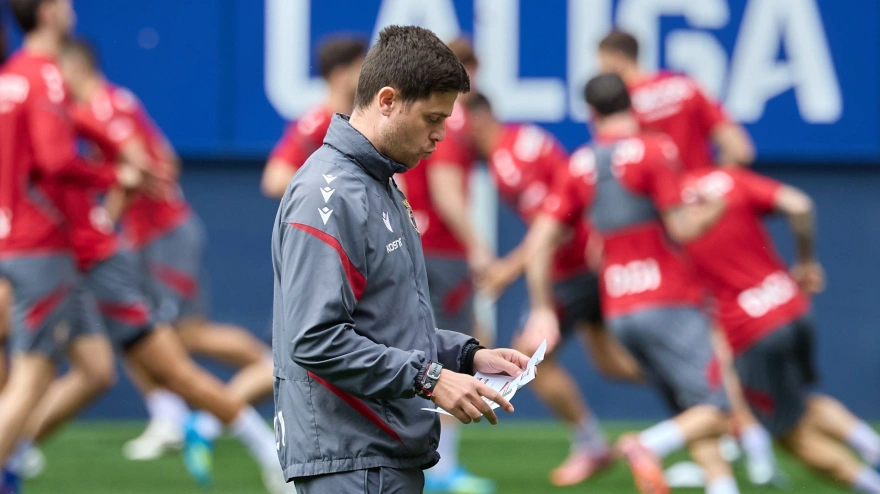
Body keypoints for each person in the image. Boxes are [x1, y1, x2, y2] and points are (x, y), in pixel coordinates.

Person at [0, 4, 280, 493]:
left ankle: (16, 459)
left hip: (55, 248)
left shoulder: (16, 77)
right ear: (48, 11)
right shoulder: (47, 74)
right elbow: (58, 158)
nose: (71, 8)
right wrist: (116, 175)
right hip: (67, 249)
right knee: (46, 373)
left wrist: (115, 162)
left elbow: (74, 131)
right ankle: (264, 445)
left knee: (97, 370)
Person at [272, 25, 529, 494]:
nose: (440, 135)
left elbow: (387, 325)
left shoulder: (380, 183)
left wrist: (467, 356)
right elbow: (315, 338)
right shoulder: (328, 194)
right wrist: (430, 378)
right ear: (387, 100)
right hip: (353, 459)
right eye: (433, 118)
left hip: (379, 454)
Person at [58, 38, 277, 473]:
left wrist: (106, 217)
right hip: (144, 238)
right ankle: (171, 416)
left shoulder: (104, 107)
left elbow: (145, 164)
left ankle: (267, 371)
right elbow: (163, 158)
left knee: (171, 335)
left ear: (74, 67)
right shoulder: (113, 103)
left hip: (164, 235)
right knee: (146, 330)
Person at [524, 74, 739, 494]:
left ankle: (721, 485)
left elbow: (539, 243)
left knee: (693, 406)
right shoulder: (655, 150)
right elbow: (683, 228)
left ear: (591, 114)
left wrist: (542, 308)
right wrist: (715, 207)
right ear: (633, 105)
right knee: (719, 407)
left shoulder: (580, 164)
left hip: (620, 309)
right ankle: (647, 445)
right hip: (668, 301)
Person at [598, 30, 782, 485]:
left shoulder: (626, 109)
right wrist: (715, 190)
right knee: (722, 338)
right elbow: (740, 149)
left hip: (663, 241)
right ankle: (746, 448)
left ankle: (725, 440)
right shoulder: (686, 87)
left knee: (700, 356)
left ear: (614, 61)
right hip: (706, 220)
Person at [465, 93, 640, 486]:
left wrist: (508, 270)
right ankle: (703, 388)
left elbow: (551, 230)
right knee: (612, 362)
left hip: (572, 268)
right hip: (590, 258)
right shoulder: (523, 139)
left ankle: (592, 444)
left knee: (529, 360)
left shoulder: (509, 162)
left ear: (476, 122)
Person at [677, 166, 880, 493]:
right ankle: (872, 446)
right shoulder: (730, 179)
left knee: (790, 434)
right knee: (800, 402)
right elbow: (800, 206)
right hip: (791, 304)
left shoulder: (664, 207)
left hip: (752, 328)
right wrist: (806, 261)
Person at [394, 36, 497, 494]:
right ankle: (440, 466)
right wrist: (478, 245)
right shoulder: (450, 124)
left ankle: (434, 460)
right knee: (448, 355)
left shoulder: (417, 120)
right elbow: (447, 191)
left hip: (421, 248)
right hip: (442, 253)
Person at [597, 30, 754, 172]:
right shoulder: (686, 86)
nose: (599, 71)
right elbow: (739, 150)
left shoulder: (615, 104)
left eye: (601, 63)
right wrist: (715, 184)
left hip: (653, 194)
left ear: (617, 60)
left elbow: (613, 165)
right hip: (699, 190)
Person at [262, 36, 366, 198]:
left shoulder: (358, 122)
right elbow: (276, 180)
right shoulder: (318, 124)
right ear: (341, 76)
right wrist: (336, 190)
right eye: (360, 68)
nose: (369, 75)